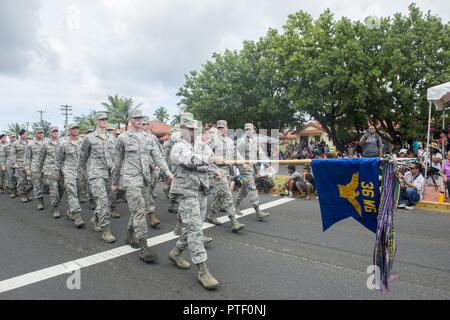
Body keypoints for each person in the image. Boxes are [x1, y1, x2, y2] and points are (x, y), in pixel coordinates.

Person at [168, 116, 223, 290]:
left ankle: (176, 252)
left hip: (201, 189)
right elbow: (190, 159)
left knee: (195, 226)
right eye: (190, 129)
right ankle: (202, 270)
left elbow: (209, 155)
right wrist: (212, 161)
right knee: (195, 229)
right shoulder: (178, 147)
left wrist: (215, 169)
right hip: (186, 191)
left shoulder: (200, 144)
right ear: (182, 129)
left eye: (195, 129)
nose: (193, 132)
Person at [112, 108, 173, 263]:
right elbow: (117, 162)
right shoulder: (123, 138)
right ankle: (143, 245)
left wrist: (167, 172)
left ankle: (129, 235)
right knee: (139, 211)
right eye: (137, 118)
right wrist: (114, 182)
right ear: (130, 119)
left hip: (146, 178)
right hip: (131, 179)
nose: (140, 120)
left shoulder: (149, 137)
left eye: (142, 118)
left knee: (138, 209)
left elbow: (157, 156)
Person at [78, 112, 116, 243]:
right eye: (102, 119)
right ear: (97, 121)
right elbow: (82, 158)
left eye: (106, 119)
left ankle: (95, 219)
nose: (104, 121)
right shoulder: (89, 138)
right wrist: (81, 174)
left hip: (109, 173)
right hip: (95, 173)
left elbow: (115, 157)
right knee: (103, 201)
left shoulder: (112, 138)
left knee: (108, 200)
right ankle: (106, 230)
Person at [206, 120, 245, 231]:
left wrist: (242, 163)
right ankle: (233, 221)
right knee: (227, 195)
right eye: (219, 128)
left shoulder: (229, 141)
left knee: (220, 195)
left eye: (223, 127)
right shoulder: (213, 140)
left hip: (227, 171)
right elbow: (206, 154)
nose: (221, 129)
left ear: (227, 128)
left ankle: (211, 215)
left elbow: (235, 153)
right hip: (216, 171)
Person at [235, 123, 270, 220]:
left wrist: (267, 164)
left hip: (253, 168)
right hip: (245, 169)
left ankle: (236, 204)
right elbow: (235, 154)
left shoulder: (254, 141)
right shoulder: (241, 142)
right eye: (248, 129)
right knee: (252, 188)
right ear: (245, 130)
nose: (250, 131)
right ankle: (258, 211)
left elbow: (261, 153)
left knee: (245, 189)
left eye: (251, 129)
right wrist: (242, 164)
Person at [54, 123, 85, 228]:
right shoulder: (64, 144)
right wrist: (57, 172)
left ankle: (70, 211)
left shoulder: (83, 142)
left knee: (79, 193)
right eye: (73, 128)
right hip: (69, 171)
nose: (75, 130)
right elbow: (58, 160)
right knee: (72, 193)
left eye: (77, 128)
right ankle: (77, 216)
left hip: (80, 171)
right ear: (69, 131)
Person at [38, 126, 64, 218]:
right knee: (54, 190)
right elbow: (41, 159)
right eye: (54, 131)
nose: (55, 132)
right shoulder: (45, 145)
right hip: (50, 170)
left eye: (57, 131)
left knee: (62, 188)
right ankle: (55, 207)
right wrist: (39, 172)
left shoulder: (62, 143)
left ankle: (56, 201)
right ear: (50, 133)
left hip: (61, 170)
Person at [24, 127, 45, 210]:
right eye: (39, 133)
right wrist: (27, 169)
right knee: (37, 185)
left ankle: (27, 189)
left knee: (46, 185)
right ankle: (40, 201)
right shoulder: (30, 144)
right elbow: (27, 158)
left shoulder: (47, 142)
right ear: (35, 134)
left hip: (46, 167)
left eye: (42, 132)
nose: (41, 134)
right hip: (35, 168)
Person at [11, 129, 33, 203]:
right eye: (25, 134)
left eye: (27, 134)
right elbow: (13, 155)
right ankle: (23, 194)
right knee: (21, 181)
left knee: (30, 181)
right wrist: (15, 163)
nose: (26, 135)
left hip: (29, 165)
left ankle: (27, 192)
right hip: (20, 165)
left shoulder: (30, 143)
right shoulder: (15, 144)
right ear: (21, 134)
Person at [106, 124, 120, 218]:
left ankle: (112, 206)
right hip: (103, 169)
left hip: (114, 169)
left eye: (112, 130)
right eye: (109, 130)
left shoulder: (117, 141)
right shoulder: (104, 141)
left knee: (113, 189)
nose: (111, 131)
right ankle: (105, 207)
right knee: (103, 189)